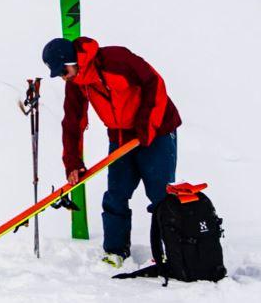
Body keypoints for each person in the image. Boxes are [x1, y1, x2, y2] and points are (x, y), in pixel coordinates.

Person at [42, 35, 182, 268]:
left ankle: (171, 251)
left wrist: (146, 127)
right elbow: (72, 123)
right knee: (116, 194)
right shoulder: (76, 84)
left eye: (63, 71)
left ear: (72, 60)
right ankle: (116, 251)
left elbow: (154, 83)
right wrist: (73, 162)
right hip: (121, 137)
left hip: (157, 130)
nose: (63, 77)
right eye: (59, 74)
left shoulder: (116, 59)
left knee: (160, 195)